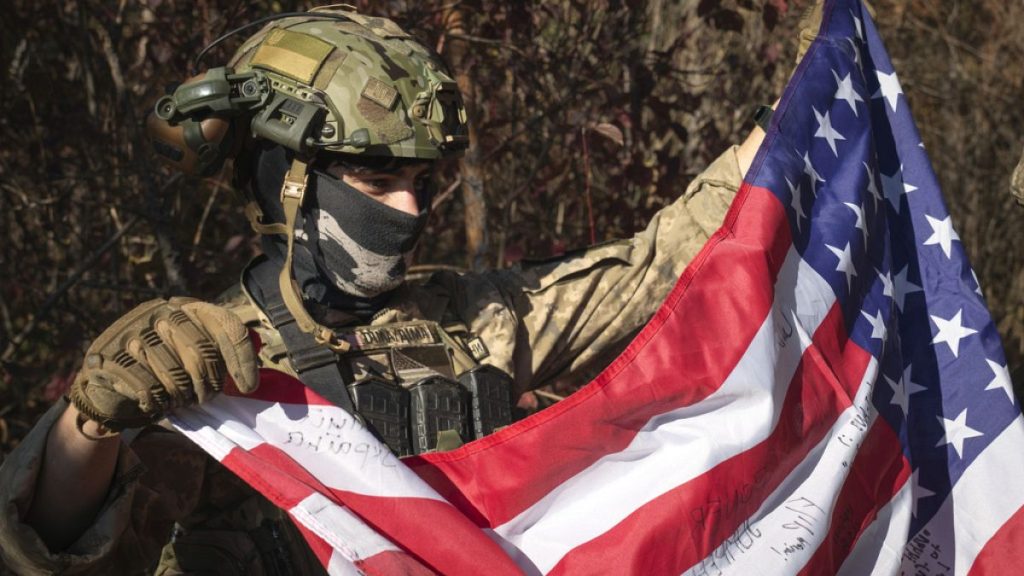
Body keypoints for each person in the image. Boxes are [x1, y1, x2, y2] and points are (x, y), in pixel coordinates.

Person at [0, 6, 775, 574]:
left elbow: (658, 269)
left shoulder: (476, 323)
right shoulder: (211, 365)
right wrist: (87, 429)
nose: (408, 210)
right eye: (376, 178)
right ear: (284, 181)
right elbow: (56, 552)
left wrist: (789, 128)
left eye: (419, 181)